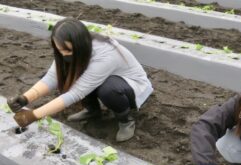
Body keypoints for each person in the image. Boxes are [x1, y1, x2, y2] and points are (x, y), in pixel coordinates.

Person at [7, 18, 153, 142]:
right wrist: (25, 98)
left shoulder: (105, 54)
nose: (64, 54)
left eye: (68, 50)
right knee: (77, 74)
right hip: (102, 78)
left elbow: (75, 93)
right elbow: (53, 76)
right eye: (60, 50)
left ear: (80, 44)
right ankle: (93, 110)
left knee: (107, 89)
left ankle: (125, 120)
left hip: (131, 86)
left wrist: (34, 115)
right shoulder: (70, 48)